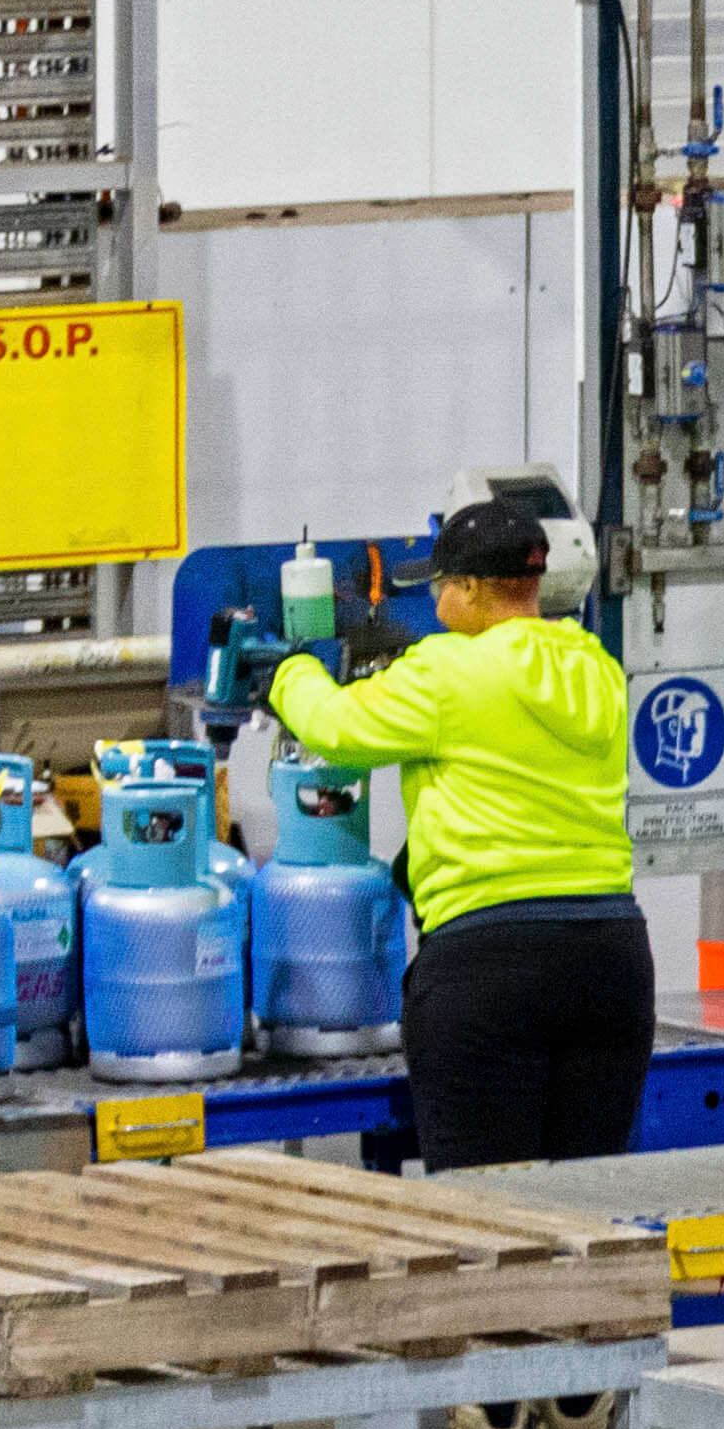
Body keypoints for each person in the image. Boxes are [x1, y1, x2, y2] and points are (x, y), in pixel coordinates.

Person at [265, 485, 658, 1169]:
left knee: (490, 1215)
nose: (435, 602)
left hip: (489, 967)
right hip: (610, 962)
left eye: (442, 586)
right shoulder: (597, 667)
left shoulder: (447, 672)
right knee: (591, 1206)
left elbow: (335, 728)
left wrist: (291, 670)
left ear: (474, 590)